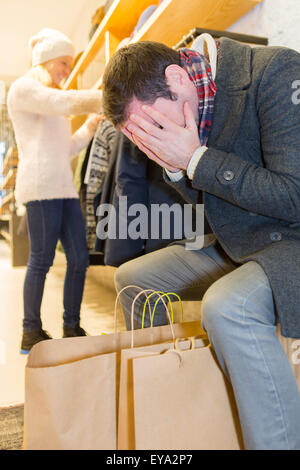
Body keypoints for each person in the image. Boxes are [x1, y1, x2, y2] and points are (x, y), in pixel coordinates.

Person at [101, 37, 300, 449]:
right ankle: (169, 409)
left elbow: (294, 196)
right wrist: (179, 168)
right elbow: (214, 204)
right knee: (133, 279)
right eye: (139, 137)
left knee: (229, 305)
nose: (151, 140)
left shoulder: (278, 71)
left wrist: (196, 160)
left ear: (176, 78)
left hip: (290, 238)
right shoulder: (191, 102)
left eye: (152, 127)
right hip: (240, 241)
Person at [7, 28, 103, 353]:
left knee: (79, 259)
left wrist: (90, 126)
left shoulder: (53, 103)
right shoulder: (24, 89)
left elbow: (67, 148)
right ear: (46, 59)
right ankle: (30, 331)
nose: (66, 70)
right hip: (40, 189)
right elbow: (63, 100)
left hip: (63, 189)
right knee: (41, 260)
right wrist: (106, 94)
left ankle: (71, 326)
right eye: (63, 63)